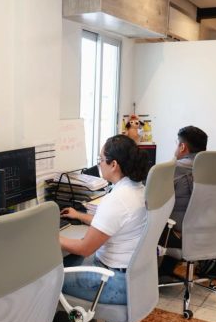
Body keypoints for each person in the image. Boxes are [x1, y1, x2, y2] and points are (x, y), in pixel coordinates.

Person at [59, 134, 149, 305]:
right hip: (132, 277)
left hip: (113, 283)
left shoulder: (117, 199)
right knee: (69, 261)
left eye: (101, 159)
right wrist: (79, 215)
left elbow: (85, 248)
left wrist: (51, 238)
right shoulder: (137, 188)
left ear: (113, 164)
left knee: (47, 278)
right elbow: (112, 223)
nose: (99, 164)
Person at [159, 125, 208, 275]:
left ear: (182, 147)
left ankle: (140, 278)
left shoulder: (174, 168)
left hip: (178, 233)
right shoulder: (210, 167)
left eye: (177, 143)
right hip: (208, 231)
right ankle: (164, 273)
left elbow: (150, 198)